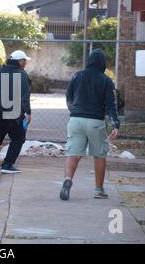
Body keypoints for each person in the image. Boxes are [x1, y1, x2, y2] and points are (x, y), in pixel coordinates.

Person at [60, 49, 120, 201]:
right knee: (99, 155)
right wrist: (115, 125)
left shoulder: (77, 75)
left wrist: (73, 110)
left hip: (75, 120)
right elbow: (111, 104)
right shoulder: (106, 80)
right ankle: (98, 190)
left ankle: (68, 179)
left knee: (73, 153)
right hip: (95, 121)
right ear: (103, 63)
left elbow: (68, 97)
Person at [0, 50, 32, 185]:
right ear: (20, 61)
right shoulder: (21, 74)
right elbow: (25, 96)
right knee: (19, 138)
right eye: (25, 61)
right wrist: (28, 113)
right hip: (12, 114)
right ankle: (7, 164)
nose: (25, 63)